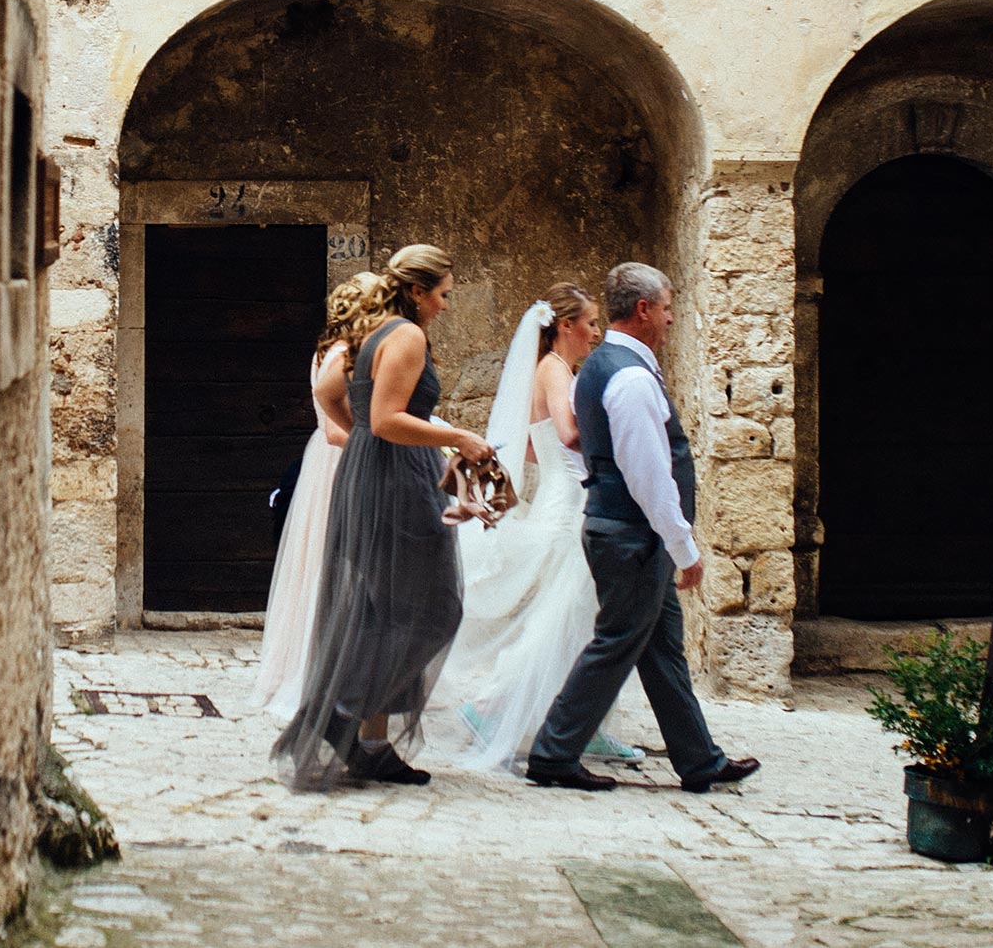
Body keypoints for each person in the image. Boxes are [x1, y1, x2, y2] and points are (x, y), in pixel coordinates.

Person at [525, 262, 762, 794]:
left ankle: (699, 759)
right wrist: (683, 546)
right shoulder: (628, 376)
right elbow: (647, 472)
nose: (673, 319)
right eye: (669, 307)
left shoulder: (597, 368)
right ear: (644, 310)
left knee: (662, 649)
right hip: (633, 537)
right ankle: (554, 753)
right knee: (614, 644)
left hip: (624, 532)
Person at [271, 244, 492, 788]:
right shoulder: (406, 334)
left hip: (376, 471)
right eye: (442, 294)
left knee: (381, 610)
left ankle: (369, 742)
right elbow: (389, 418)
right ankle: (343, 712)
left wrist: (361, 434)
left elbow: (329, 393)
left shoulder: (372, 331)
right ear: (418, 291)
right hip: (397, 478)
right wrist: (457, 437)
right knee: (435, 608)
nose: (445, 304)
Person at [430, 283, 650, 770]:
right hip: (570, 507)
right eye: (591, 323)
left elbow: (534, 445)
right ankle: (490, 708)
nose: (596, 332)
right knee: (564, 621)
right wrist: (621, 428)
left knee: (577, 621)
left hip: (562, 495)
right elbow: (570, 433)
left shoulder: (553, 371)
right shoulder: (554, 370)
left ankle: (582, 721)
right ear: (566, 326)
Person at [253, 271, 390, 720]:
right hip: (335, 466)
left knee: (329, 566)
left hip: (328, 464)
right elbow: (334, 430)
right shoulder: (339, 355)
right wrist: (382, 440)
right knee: (333, 567)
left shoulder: (340, 352)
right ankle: (320, 672)